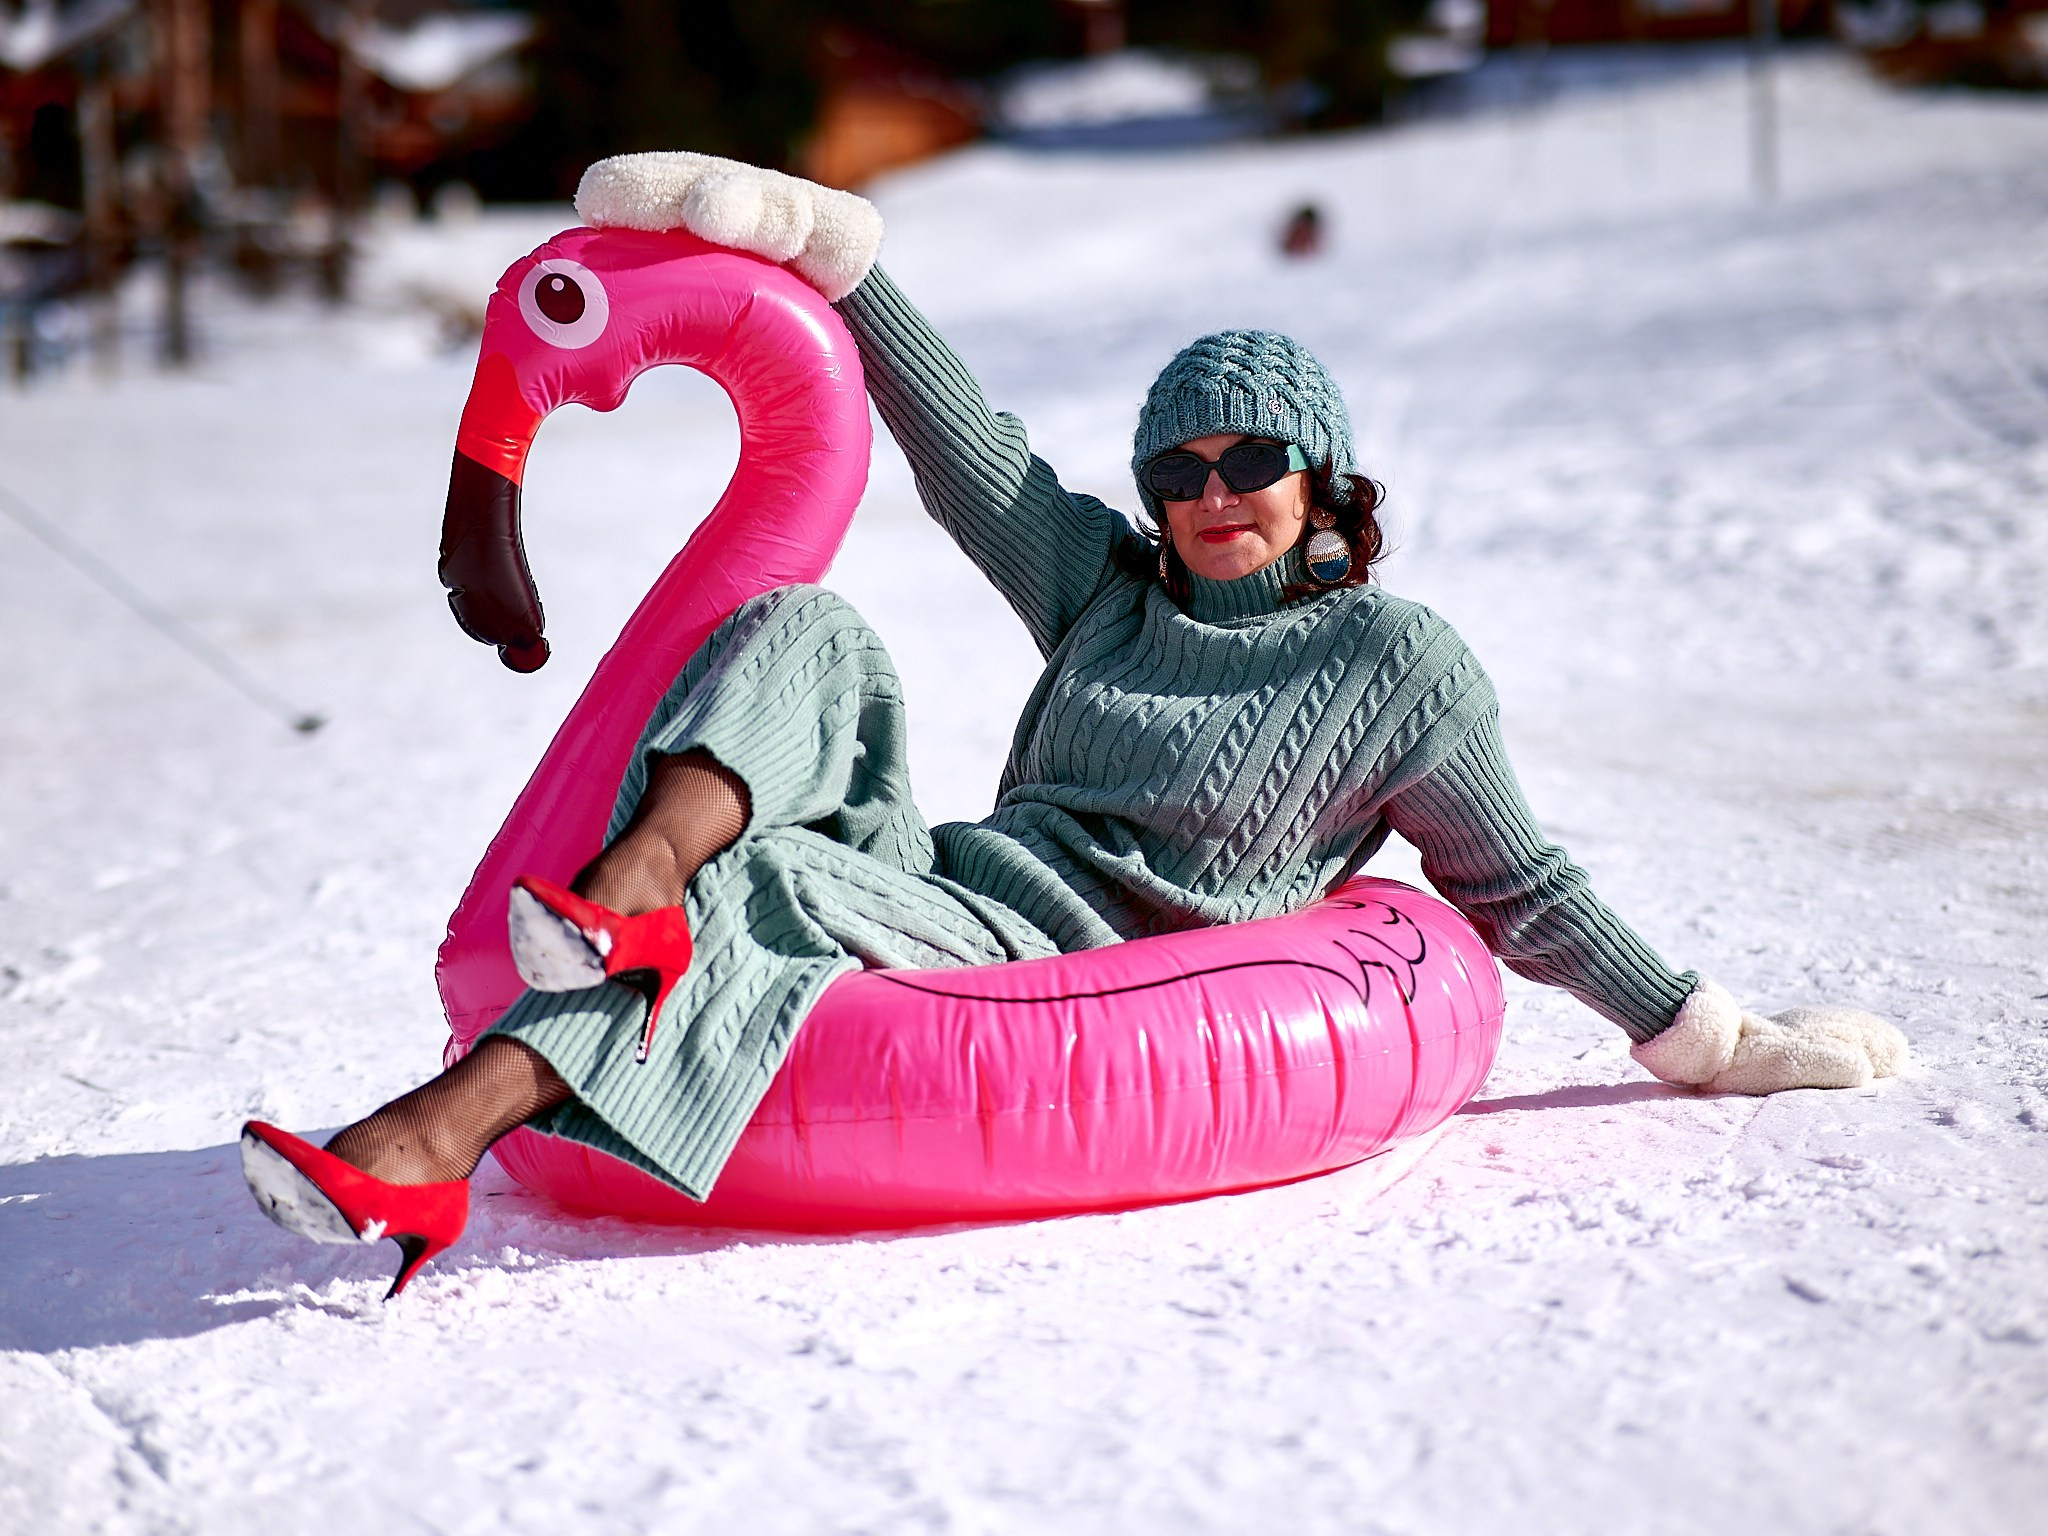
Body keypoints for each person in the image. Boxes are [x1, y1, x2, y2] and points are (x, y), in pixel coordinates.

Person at [241, 155, 1907, 1297]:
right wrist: (836, 260)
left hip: (1078, 964)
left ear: (1320, 480)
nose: (1208, 498)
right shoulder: (1112, 589)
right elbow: (973, 448)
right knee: (809, 626)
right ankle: (632, 884)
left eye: (1248, 463)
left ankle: (425, 1145)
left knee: (725, 926)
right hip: (950, 884)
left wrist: (1708, 1035)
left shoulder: (1400, 667)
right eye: (1177, 473)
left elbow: (1522, 887)